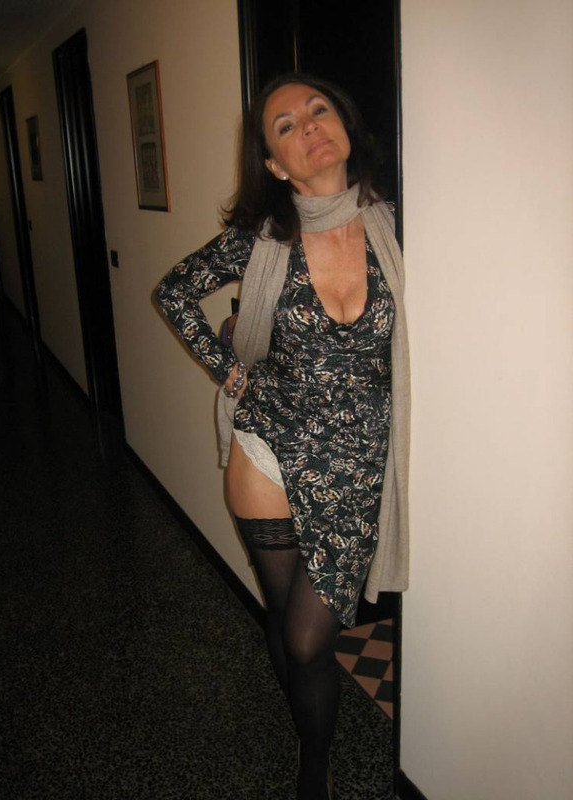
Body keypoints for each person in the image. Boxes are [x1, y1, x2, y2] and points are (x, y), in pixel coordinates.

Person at [154, 73, 410, 800]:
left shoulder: (400, 226)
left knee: (307, 636)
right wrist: (229, 370)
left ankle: (308, 738)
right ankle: (314, 772)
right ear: (273, 163)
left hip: (356, 463)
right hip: (266, 447)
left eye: (318, 110)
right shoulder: (260, 241)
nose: (309, 126)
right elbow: (174, 291)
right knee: (285, 616)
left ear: (346, 125)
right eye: (286, 125)